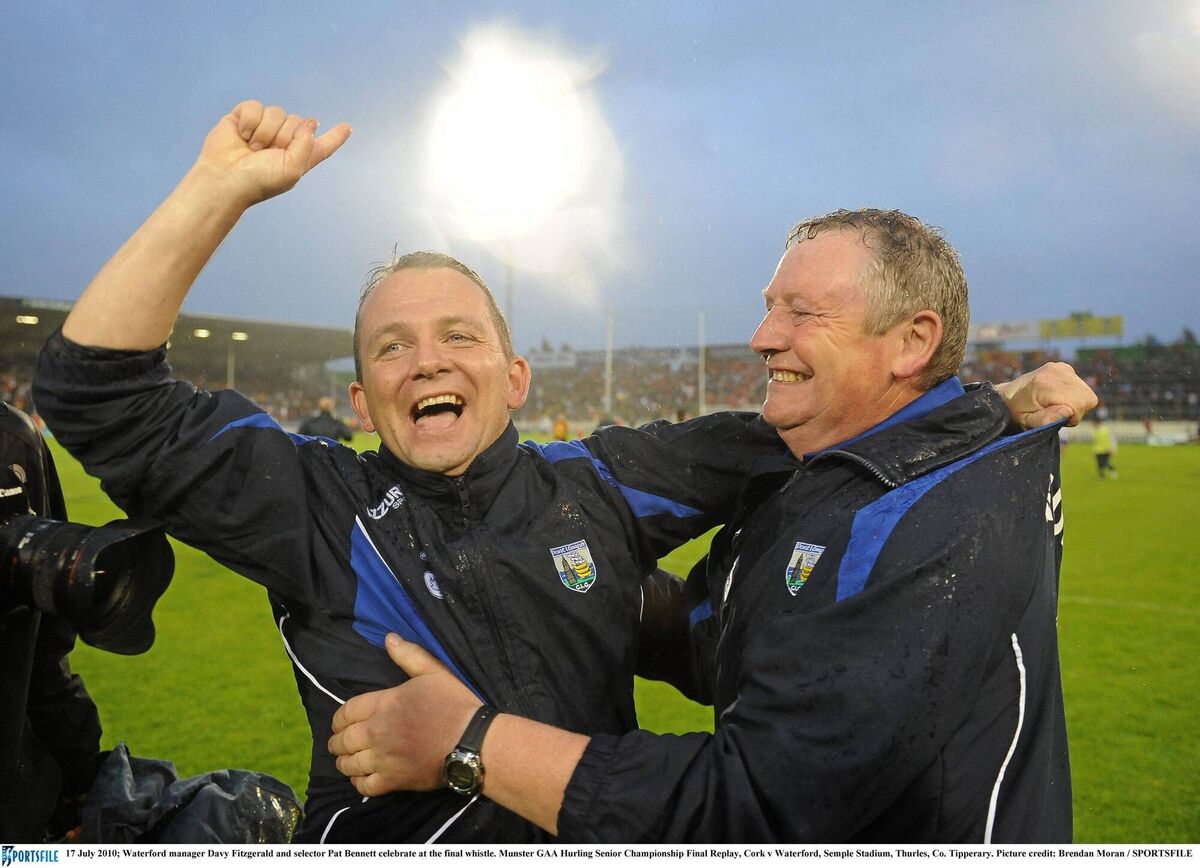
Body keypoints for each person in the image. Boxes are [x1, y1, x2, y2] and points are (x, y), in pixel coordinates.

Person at [33, 101, 1091, 844]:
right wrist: (216, 190)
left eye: (458, 333)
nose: (429, 359)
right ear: (361, 402)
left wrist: (992, 405)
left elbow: (833, 419)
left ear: (516, 374)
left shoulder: (604, 480)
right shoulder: (318, 509)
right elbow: (99, 397)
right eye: (392, 348)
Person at [328, 209, 1079, 844]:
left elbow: (757, 806)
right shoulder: (834, 474)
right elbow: (722, 642)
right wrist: (564, 581)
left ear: (913, 342)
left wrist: (471, 743)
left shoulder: (942, 515)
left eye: (802, 313)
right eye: (769, 305)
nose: (761, 336)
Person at [1092, 412, 1117, 479]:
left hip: (1106, 450)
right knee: (1099, 463)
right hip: (1098, 450)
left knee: (1105, 463)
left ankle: (1112, 470)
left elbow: (1112, 439)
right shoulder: (1095, 430)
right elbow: (1096, 441)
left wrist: (1113, 448)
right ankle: (1102, 476)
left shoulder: (1105, 429)